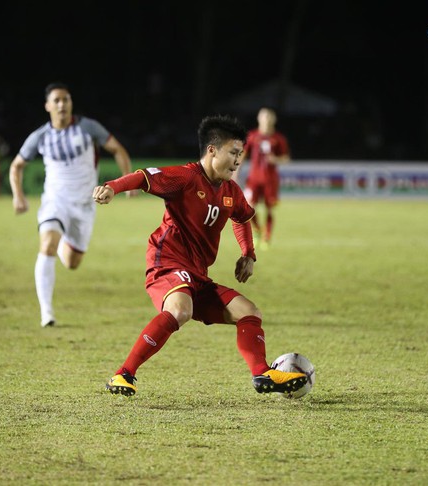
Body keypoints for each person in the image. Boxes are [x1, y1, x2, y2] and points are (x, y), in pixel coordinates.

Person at [92, 114, 307, 397]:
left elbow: (242, 218)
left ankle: (261, 373)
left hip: (197, 273)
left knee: (249, 312)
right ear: (212, 150)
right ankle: (124, 374)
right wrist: (112, 187)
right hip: (167, 261)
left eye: (241, 154)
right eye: (233, 153)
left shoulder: (230, 190)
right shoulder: (186, 177)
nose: (238, 160)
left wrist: (249, 254)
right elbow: (144, 177)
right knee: (180, 311)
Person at [9, 81, 135, 328]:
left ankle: (60, 238)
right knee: (47, 245)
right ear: (47, 106)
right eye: (56, 100)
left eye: (65, 99)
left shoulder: (88, 128)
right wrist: (18, 195)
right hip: (55, 201)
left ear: (71, 103)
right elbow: (16, 166)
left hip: (85, 206)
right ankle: (47, 312)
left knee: (71, 263)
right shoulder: (40, 137)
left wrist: (126, 183)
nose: (61, 104)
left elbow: (118, 150)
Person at [235, 107, 290, 249]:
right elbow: (242, 155)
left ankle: (267, 237)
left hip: (270, 180)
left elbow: (285, 158)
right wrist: (235, 172)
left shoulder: (278, 138)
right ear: (259, 119)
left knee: (269, 209)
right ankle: (257, 230)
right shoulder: (252, 136)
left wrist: (275, 159)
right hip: (253, 179)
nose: (267, 120)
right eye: (264, 117)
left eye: (269, 117)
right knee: (249, 206)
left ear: (274, 120)